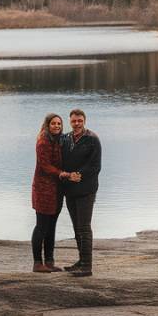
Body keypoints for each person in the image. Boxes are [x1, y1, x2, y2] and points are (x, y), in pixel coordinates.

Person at [60, 108, 101, 277]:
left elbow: (95, 166)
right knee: (77, 227)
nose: (77, 124)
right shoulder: (66, 138)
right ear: (70, 121)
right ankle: (81, 261)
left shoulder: (92, 139)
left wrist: (79, 175)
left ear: (84, 121)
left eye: (80, 121)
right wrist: (67, 176)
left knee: (84, 227)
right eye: (74, 121)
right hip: (70, 189)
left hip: (86, 189)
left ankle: (87, 266)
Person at [31, 113, 69, 272]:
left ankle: (50, 261)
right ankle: (37, 263)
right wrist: (61, 173)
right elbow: (45, 165)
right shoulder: (43, 141)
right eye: (53, 123)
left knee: (52, 225)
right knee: (41, 226)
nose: (57, 126)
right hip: (43, 189)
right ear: (47, 124)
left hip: (56, 189)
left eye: (59, 124)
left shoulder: (59, 140)